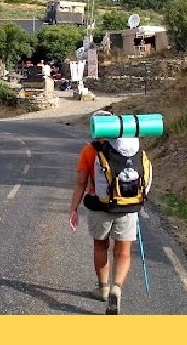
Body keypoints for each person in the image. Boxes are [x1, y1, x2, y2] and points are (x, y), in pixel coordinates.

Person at [68, 112, 152, 315]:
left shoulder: (89, 151)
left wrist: (74, 209)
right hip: (128, 206)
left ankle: (103, 287)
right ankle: (117, 287)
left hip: (99, 207)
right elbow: (145, 176)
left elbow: (81, 183)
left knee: (100, 247)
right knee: (123, 252)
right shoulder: (132, 148)